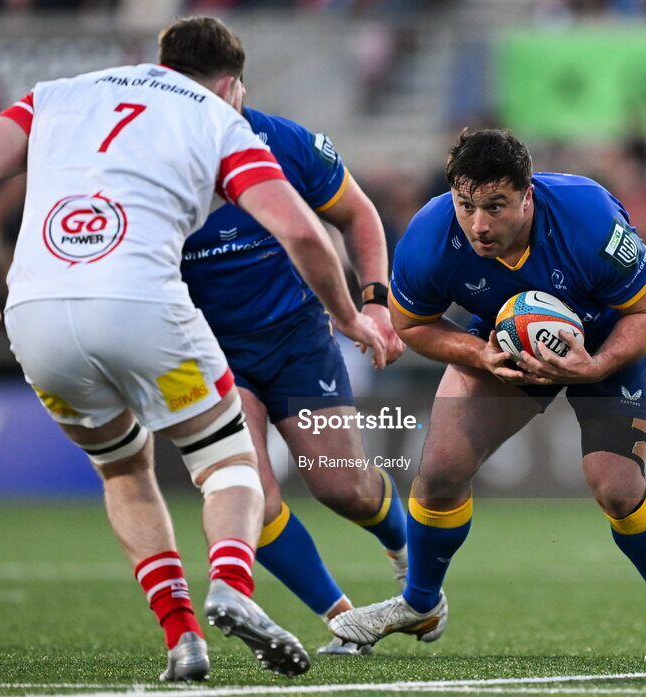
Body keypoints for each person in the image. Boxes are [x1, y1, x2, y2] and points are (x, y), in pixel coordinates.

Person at [0, 16, 385, 682]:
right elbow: (301, 232)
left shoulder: (57, 93)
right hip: (141, 307)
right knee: (230, 461)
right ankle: (232, 584)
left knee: (124, 471)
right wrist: (350, 315)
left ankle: (182, 637)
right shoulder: (216, 117)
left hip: (34, 315)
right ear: (231, 84)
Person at [330, 129, 646, 660]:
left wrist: (594, 364)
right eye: (467, 205)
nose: (479, 224)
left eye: (495, 206)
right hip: (505, 344)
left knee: (615, 485)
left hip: (610, 340)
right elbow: (412, 325)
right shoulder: (431, 236)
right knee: (439, 471)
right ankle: (420, 603)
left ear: (528, 196)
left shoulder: (586, 215)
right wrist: (478, 354)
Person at [181, 84, 408, 654]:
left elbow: (358, 214)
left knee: (343, 487)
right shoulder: (152, 159)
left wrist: (375, 302)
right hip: (211, 350)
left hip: (298, 339)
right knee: (250, 493)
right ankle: (345, 620)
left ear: (238, 86)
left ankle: (414, 568)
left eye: (218, 90)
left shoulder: (287, 143)